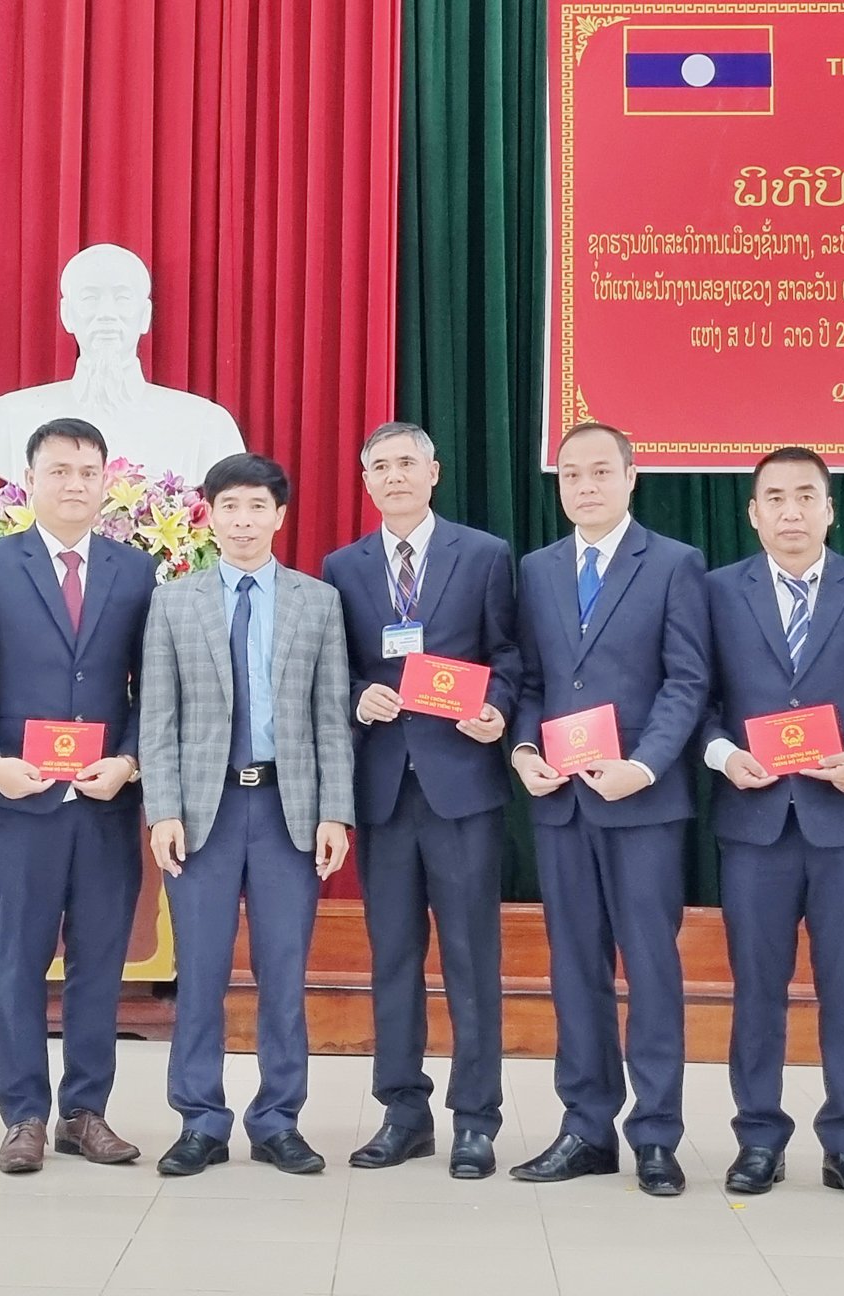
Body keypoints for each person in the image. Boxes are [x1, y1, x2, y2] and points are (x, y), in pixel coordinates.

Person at [702, 447, 844, 1204]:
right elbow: (697, 697)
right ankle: (759, 1138)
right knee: (757, 989)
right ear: (753, 512)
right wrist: (725, 755)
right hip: (754, 819)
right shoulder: (716, 592)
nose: (791, 512)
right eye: (775, 498)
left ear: (831, 509)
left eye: (806, 497)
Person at [506, 421, 710, 1194]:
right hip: (561, 807)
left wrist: (646, 765)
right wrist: (523, 753)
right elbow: (530, 682)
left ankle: (656, 1134)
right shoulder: (540, 568)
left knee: (651, 970)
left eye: (600, 473)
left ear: (632, 477)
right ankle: (585, 1128)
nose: (585, 487)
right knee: (574, 971)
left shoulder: (674, 564)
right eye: (571, 476)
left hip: (641, 806)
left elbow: (687, 681)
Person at [0, 418, 155, 1174]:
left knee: (101, 963)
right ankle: (24, 1116)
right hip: (21, 798)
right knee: (21, 962)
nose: (74, 483)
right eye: (59, 470)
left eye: (88, 471)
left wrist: (129, 761)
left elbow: (148, 686)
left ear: (106, 481)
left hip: (104, 801)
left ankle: (86, 1112)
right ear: (29, 480)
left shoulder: (135, 571)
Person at [140, 452, 354, 1177]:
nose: (242, 520)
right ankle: (199, 1120)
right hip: (205, 811)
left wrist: (336, 814)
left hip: (288, 812)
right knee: (198, 971)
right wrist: (161, 808)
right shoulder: (175, 601)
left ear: (279, 516)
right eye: (228, 506)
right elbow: (157, 717)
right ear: (209, 513)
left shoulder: (316, 602)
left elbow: (332, 718)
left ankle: (277, 1120)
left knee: (283, 973)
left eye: (256, 506)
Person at [321, 421, 518, 1179]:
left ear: (433, 473)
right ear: (366, 481)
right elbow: (329, 668)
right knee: (393, 957)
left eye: (408, 463)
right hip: (383, 787)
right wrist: (356, 694)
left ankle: (476, 1119)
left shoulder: (484, 554)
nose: (395, 476)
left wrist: (496, 708)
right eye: (380, 466)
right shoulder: (345, 566)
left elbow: (508, 657)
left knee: (472, 958)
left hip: (461, 783)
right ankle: (404, 1112)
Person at [0, 243, 245, 485]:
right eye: (90, 298)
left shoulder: (207, 425)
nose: (106, 314)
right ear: (66, 315)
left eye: (121, 298)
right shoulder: (3, 419)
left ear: (145, 315)